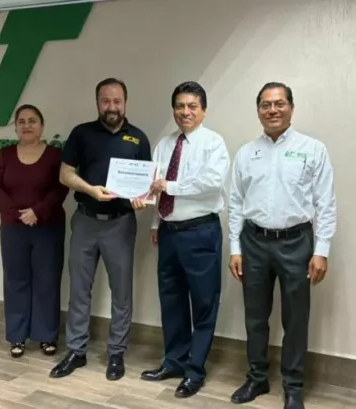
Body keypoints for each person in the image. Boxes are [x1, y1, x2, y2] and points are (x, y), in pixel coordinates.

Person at [227, 82, 337, 409]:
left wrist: (322, 250)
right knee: (255, 317)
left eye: (279, 103)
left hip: (297, 243)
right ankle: (257, 378)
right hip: (253, 242)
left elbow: (326, 203)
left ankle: (294, 386)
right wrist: (235, 247)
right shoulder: (246, 153)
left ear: (291, 107)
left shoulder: (313, 149)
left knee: (296, 319)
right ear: (258, 110)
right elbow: (235, 202)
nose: (272, 110)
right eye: (265, 104)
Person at [50, 78, 151, 381]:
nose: (111, 107)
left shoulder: (138, 138)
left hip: (120, 224)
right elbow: (65, 174)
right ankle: (76, 351)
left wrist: (142, 199)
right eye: (106, 101)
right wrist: (90, 189)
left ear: (125, 103)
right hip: (85, 220)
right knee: (79, 290)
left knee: (121, 292)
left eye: (117, 101)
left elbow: (146, 183)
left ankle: (116, 353)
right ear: (97, 103)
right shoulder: (81, 133)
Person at [140, 81, 230, 398]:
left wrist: (170, 186)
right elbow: (154, 186)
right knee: (172, 300)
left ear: (203, 110)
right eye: (180, 106)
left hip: (200, 232)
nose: (185, 112)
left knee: (204, 303)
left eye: (192, 106)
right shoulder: (165, 144)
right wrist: (155, 221)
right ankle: (174, 362)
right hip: (169, 233)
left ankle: (195, 371)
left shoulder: (214, 143)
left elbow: (212, 182)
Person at [0, 104, 69, 359]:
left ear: (42, 126)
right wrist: (17, 214)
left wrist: (38, 211)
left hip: (48, 228)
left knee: (47, 280)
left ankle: (47, 336)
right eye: (21, 121)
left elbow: (61, 188)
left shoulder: (55, 156)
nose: (27, 125)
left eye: (32, 121)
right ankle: (17, 336)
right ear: (15, 127)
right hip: (13, 229)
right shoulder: (3, 156)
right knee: (16, 280)